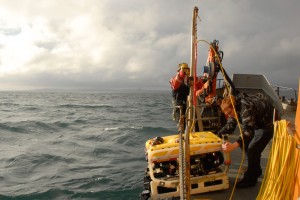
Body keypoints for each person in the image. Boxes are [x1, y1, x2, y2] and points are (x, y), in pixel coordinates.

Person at [217, 93, 274, 188]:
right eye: (226, 114)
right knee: (246, 145)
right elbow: (229, 126)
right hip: (256, 124)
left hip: (266, 125)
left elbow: (248, 131)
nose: (228, 115)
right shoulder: (234, 111)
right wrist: (216, 136)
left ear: (233, 107)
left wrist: (233, 145)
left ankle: (250, 179)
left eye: (229, 113)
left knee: (253, 149)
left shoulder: (245, 110)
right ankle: (255, 169)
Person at [169, 63, 204, 129]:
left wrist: (194, 78)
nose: (185, 72)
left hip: (191, 106)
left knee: (195, 125)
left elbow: (201, 86)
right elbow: (175, 83)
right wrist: (181, 75)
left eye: (187, 70)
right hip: (179, 108)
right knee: (182, 126)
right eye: (183, 70)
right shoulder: (174, 80)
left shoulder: (190, 80)